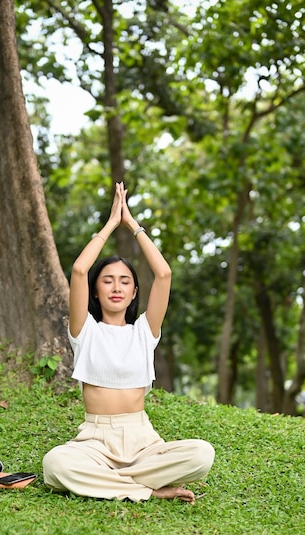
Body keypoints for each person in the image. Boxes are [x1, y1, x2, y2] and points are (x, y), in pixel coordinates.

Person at [43, 182, 215, 503]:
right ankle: (145, 489)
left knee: (202, 454)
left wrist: (133, 224)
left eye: (125, 281)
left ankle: (112, 483)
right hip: (96, 441)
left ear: (135, 292)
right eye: (107, 281)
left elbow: (163, 275)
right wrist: (111, 223)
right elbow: (80, 270)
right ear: (96, 290)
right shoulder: (84, 331)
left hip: (143, 441)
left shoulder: (144, 331)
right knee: (55, 465)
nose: (116, 287)